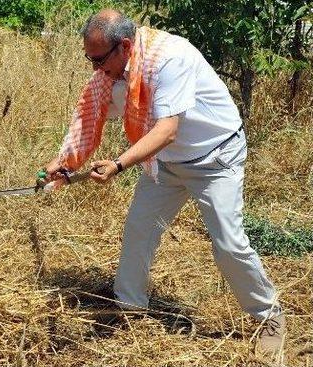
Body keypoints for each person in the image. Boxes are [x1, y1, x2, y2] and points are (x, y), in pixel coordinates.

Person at [42, 9, 286, 358]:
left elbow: (167, 130)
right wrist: (63, 163)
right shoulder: (112, 71)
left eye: (97, 59)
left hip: (214, 158)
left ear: (123, 45)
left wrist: (118, 164)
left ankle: (269, 316)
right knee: (138, 231)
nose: (94, 69)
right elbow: (88, 117)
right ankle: (128, 309)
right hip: (165, 164)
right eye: (88, 58)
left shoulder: (171, 57)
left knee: (228, 244)